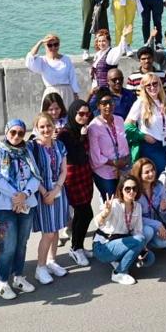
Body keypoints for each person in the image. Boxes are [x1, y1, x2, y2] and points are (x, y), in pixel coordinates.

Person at [0, 120, 41, 300]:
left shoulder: (27, 152)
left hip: (26, 204)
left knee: (21, 243)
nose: (16, 136)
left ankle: (18, 276)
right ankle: (3, 282)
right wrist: (16, 196)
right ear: (6, 131)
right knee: (7, 246)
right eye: (13, 132)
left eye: (20, 133)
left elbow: (36, 176)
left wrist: (24, 194)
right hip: (5, 206)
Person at [27, 113, 70, 285]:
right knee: (48, 232)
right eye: (42, 126)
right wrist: (46, 193)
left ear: (54, 126)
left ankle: (52, 261)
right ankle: (40, 267)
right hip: (42, 192)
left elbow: (63, 170)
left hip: (58, 191)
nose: (46, 129)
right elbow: (32, 173)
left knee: (57, 227)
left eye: (49, 126)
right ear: (36, 128)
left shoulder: (59, 145)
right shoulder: (32, 147)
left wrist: (57, 188)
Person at [92, 175, 146, 285]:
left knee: (149, 258)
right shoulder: (114, 204)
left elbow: (137, 231)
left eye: (134, 188)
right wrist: (105, 213)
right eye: (127, 189)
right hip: (103, 246)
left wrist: (142, 249)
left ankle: (117, 260)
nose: (131, 191)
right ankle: (118, 272)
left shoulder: (138, 206)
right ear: (121, 190)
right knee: (139, 240)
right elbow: (97, 222)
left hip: (120, 241)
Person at [59, 101, 94, 266]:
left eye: (87, 114)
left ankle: (79, 246)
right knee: (85, 213)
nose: (84, 117)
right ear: (73, 113)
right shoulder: (65, 133)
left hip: (85, 174)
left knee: (84, 214)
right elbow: (75, 154)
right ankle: (75, 248)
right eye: (80, 114)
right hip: (72, 177)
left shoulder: (84, 129)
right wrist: (82, 136)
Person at [125, 73, 166, 173]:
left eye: (155, 84)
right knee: (162, 174)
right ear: (143, 87)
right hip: (153, 147)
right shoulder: (140, 103)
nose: (152, 87)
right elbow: (127, 126)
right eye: (148, 85)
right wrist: (143, 136)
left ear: (160, 85)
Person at [89, 90, 131, 201]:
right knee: (112, 204)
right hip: (105, 172)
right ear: (98, 106)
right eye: (104, 103)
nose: (108, 106)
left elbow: (123, 143)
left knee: (125, 200)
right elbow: (95, 157)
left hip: (123, 169)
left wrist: (125, 160)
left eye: (111, 102)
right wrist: (114, 163)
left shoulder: (119, 120)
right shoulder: (93, 127)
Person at [132, 158, 166, 266]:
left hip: (154, 222)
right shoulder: (134, 191)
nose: (151, 174)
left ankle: (145, 245)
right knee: (148, 231)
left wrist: (163, 208)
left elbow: (163, 213)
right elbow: (135, 218)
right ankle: (136, 253)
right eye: (147, 172)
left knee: (165, 241)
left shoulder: (159, 186)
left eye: (152, 170)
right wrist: (157, 225)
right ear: (139, 175)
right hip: (138, 226)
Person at [26, 34, 80, 102]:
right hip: (50, 94)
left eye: (56, 44)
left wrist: (75, 93)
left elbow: (73, 78)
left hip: (67, 93)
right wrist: (40, 42)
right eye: (50, 45)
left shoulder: (66, 59)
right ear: (45, 46)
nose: (53, 47)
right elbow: (30, 59)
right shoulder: (42, 61)